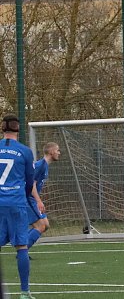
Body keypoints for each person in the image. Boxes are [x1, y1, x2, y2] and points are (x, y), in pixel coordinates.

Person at [0, 115, 36, 298]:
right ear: (18, 129)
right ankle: (24, 292)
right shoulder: (25, 151)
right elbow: (30, 181)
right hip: (16, 202)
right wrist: (27, 195)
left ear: (2, 128)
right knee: (21, 246)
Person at [26, 142, 60, 249]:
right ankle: (22, 250)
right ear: (51, 152)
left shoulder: (45, 165)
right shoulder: (40, 165)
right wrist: (38, 201)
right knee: (41, 226)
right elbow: (31, 184)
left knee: (46, 225)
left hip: (32, 199)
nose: (59, 153)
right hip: (28, 199)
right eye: (57, 150)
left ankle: (24, 243)